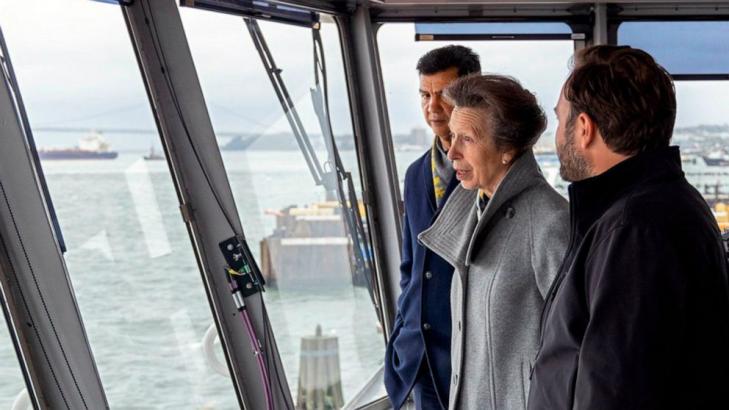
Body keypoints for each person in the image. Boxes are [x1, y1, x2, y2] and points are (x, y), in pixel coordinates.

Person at [528, 45, 729, 410]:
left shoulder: (634, 230)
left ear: (584, 128)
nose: (558, 136)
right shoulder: (656, 208)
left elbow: (615, 390)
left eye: (561, 121)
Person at [418, 74, 569, 410]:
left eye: (467, 139)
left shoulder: (550, 222)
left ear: (507, 150)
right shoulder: (470, 210)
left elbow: (577, 350)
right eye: (453, 137)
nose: (452, 151)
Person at [384, 45, 480, 410]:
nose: (432, 107)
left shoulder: (490, 175)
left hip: (467, 359)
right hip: (415, 357)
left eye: (444, 95)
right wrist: (398, 336)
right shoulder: (414, 174)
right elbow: (410, 267)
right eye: (425, 94)